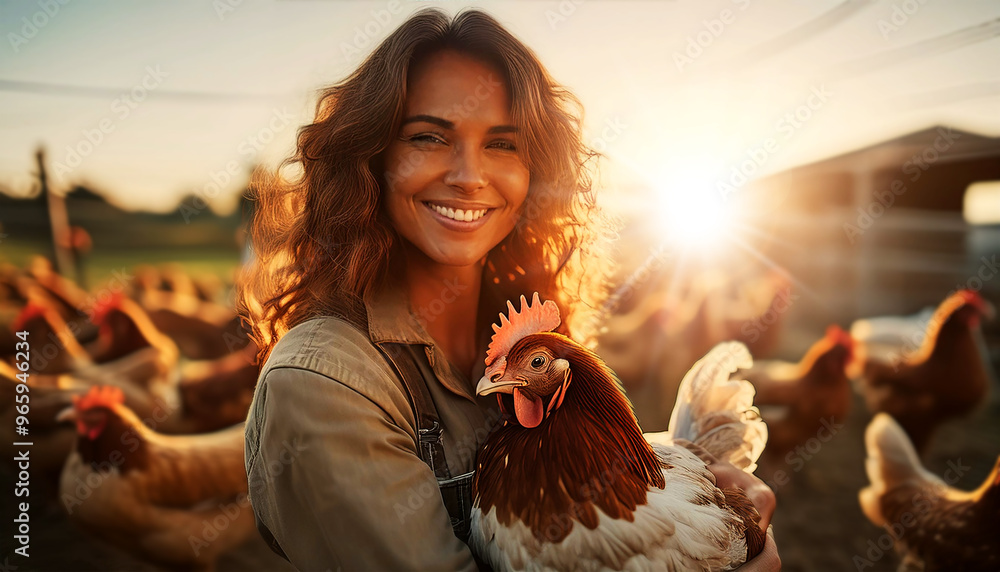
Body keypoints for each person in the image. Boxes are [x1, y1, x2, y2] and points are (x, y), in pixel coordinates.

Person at [239, 7, 779, 571]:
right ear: (372, 159)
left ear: (534, 172)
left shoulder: (515, 328)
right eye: (428, 136)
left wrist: (698, 471)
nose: (469, 175)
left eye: (502, 144)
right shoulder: (322, 386)